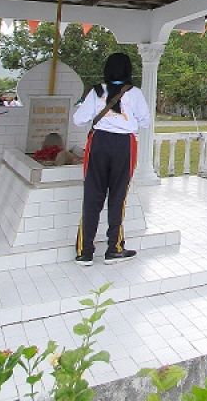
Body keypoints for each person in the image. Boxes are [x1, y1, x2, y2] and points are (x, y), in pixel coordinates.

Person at [72, 52, 151, 265]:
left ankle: (84, 252)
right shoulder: (135, 94)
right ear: (128, 70)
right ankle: (113, 249)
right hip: (124, 145)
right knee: (118, 197)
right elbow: (145, 122)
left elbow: (78, 120)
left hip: (98, 144)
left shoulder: (97, 91)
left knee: (92, 196)